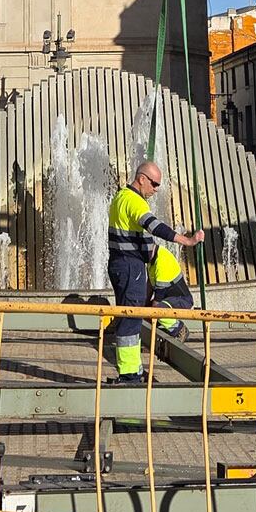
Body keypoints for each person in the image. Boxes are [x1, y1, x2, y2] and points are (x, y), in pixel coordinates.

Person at [106, 160, 204, 384]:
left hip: (120, 265)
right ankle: (130, 375)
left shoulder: (120, 197)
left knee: (129, 315)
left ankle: (134, 371)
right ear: (142, 179)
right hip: (131, 266)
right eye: (155, 184)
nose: (156, 189)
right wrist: (186, 240)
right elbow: (154, 225)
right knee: (131, 319)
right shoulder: (135, 202)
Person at [147, 243, 194, 342]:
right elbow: (150, 285)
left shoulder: (162, 260)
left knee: (158, 311)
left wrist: (149, 313)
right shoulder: (152, 260)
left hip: (182, 300)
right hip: (169, 300)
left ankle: (180, 329)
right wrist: (142, 306)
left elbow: (158, 297)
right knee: (148, 309)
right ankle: (152, 338)